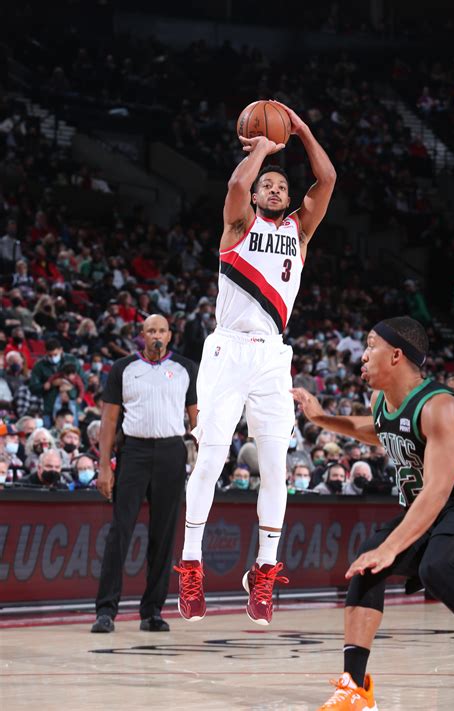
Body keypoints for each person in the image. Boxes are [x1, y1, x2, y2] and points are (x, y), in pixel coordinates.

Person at [176, 100, 336, 626]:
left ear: (289, 198)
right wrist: (263, 150)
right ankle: (192, 564)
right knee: (211, 458)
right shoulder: (238, 224)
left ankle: (263, 575)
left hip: (272, 356)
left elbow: (327, 177)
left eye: (281, 186)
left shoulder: (299, 232)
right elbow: (235, 189)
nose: (274, 188)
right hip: (226, 350)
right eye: (268, 183)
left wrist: (302, 131)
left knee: (276, 469)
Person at [292, 315, 454, 710]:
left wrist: (392, 548)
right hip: (426, 508)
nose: (362, 355)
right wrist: (322, 418)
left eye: (370, 345)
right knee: (366, 566)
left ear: (396, 355)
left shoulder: (440, 407)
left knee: (437, 568)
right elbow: (376, 429)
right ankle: (354, 689)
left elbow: (439, 491)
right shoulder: (382, 402)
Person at [91, 314, 197, 634]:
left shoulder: (186, 369)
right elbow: (109, 421)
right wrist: (103, 466)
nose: (156, 335)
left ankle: (152, 611)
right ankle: (106, 611)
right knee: (119, 531)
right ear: (142, 335)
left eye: (161, 330)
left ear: (169, 335)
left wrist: (204, 462)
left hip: (171, 452)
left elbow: (197, 420)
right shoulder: (124, 368)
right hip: (133, 452)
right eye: (150, 330)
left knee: (163, 536)